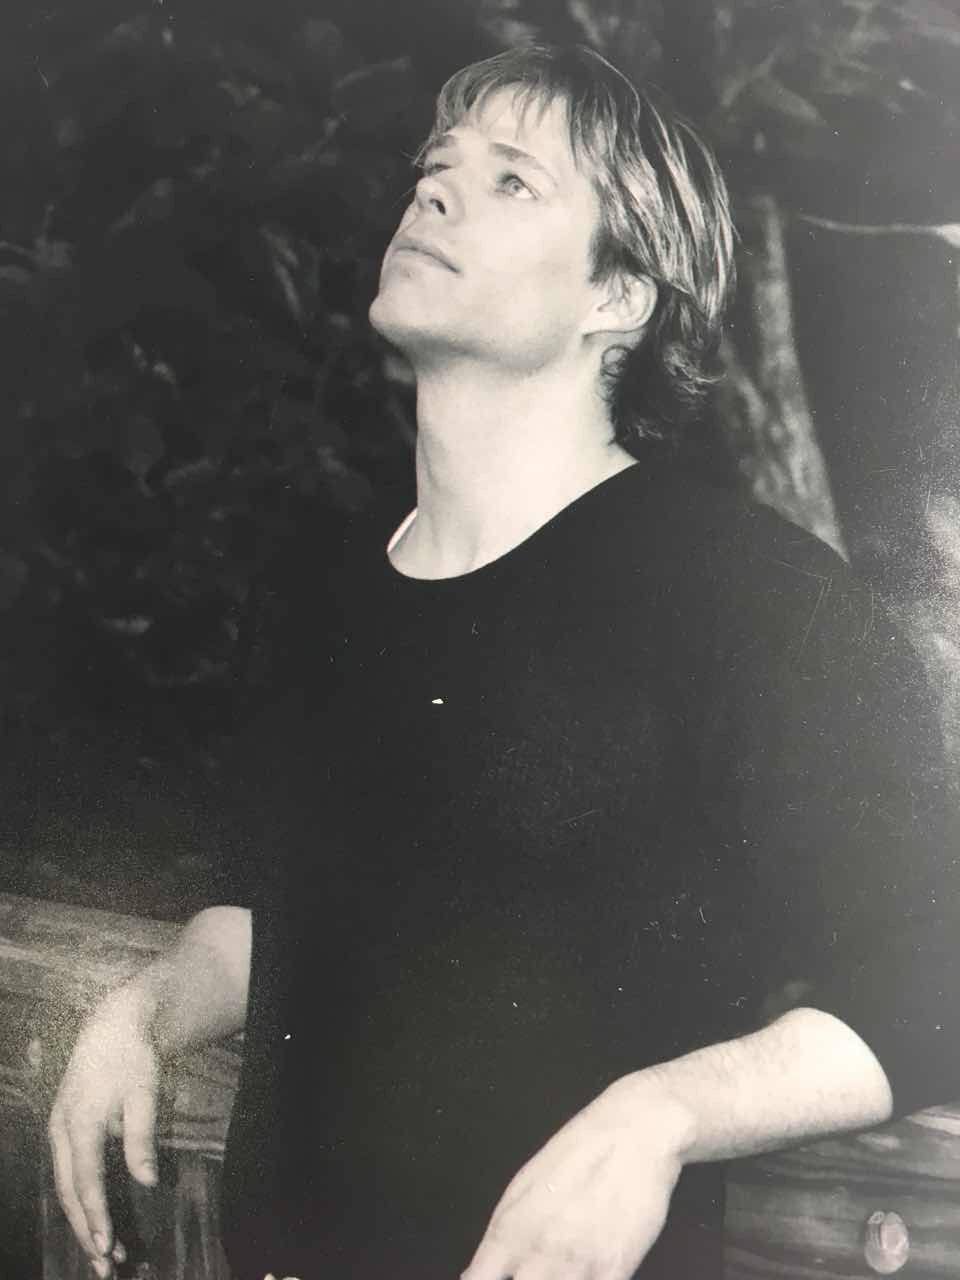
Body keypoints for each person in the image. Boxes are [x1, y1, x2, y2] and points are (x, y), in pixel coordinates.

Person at [49, 43, 955, 1280]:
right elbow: (271, 913)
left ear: (617, 294)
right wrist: (143, 1010)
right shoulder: (318, 591)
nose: (432, 189)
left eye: (513, 180)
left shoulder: (753, 595)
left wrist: (659, 1114)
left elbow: (931, 972)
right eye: (438, 164)